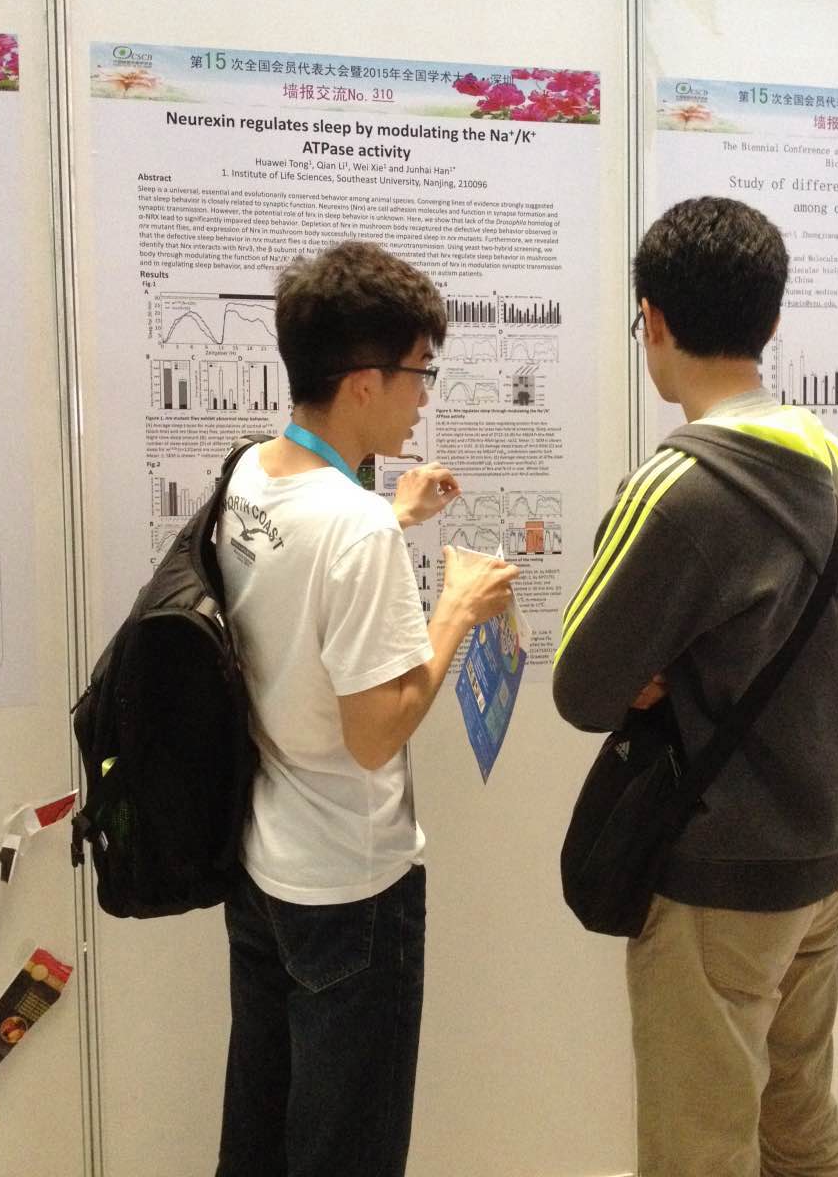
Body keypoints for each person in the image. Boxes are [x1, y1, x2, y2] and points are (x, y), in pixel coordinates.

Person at [553, 196, 838, 1177]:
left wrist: (649, 677)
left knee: (699, 1148)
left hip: (719, 876)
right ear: (772, 321)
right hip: (822, 851)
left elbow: (584, 687)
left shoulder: (678, 486)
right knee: (800, 1123)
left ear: (653, 319)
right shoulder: (833, 458)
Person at [214, 240, 518, 1177]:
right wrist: (455, 609)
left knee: (260, 1133)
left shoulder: (251, 476)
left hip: (265, 865)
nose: (424, 396)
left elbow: (302, 579)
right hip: (352, 885)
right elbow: (375, 732)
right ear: (362, 383)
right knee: (348, 1150)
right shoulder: (353, 529)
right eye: (420, 371)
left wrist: (394, 515)